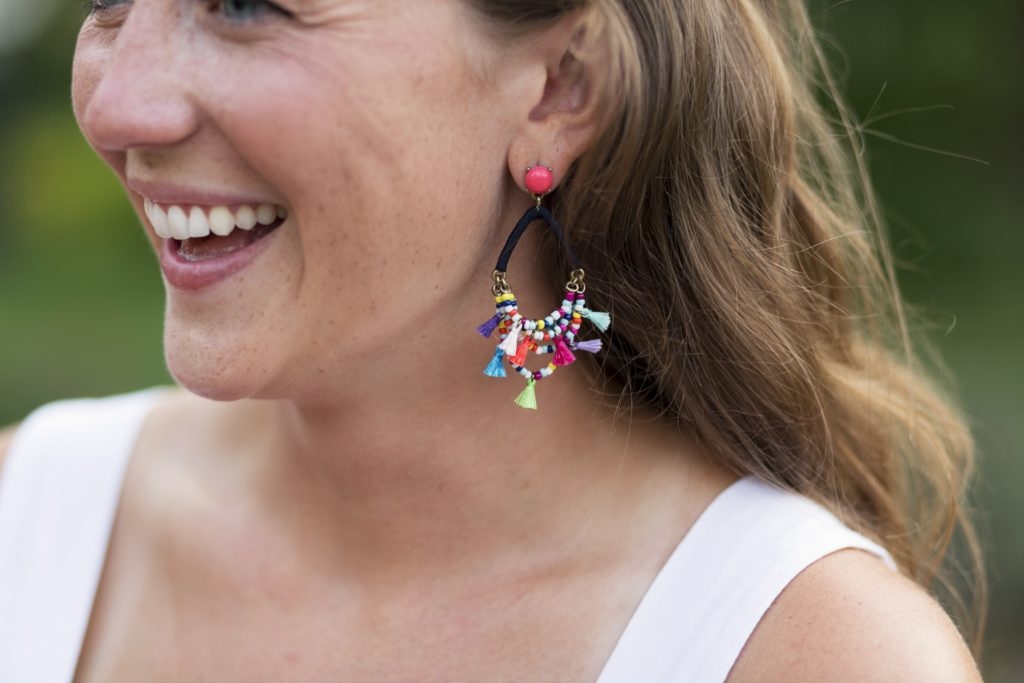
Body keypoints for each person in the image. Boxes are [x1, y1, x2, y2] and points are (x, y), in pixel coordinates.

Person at [0, 0, 985, 681]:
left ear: (561, 86)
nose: (118, 105)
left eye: (249, 6)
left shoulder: (810, 654)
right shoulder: (30, 522)